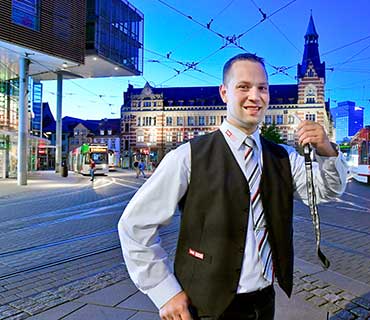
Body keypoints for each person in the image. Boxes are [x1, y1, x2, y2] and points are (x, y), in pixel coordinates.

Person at [118, 53, 348, 320]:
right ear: (224, 93)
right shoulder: (187, 156)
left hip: (264, 301)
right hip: (206, 307)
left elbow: (327, 191)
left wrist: (328, 151)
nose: (255, 96)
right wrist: (164, 291)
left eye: (262, 88)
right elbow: (134, 225)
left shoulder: (284, 157)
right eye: (244, 87)